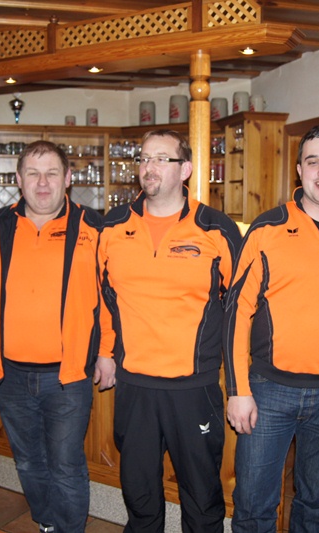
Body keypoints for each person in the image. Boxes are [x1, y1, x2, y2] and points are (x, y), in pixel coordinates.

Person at [224, 125, 319, 532]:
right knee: (253, 506)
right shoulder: (268, 228)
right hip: (268, 391)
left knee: (316, 502)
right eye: (313, 161)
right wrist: (238, 390)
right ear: (299, 170)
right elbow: (238, 310)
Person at [96, 129, 242, 532]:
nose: (149, 167)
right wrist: (106, 351)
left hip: (193, 386)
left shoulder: (215, 228)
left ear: (186, 169)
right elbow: (102, 298)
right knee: (139, 493)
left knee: (201, 496)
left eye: (162, 158)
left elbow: (240, 307)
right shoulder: (113, 226)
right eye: (144, 158)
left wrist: (240, 382)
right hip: (134, 384)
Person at [0, 140, 109, 533]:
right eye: (33, 173)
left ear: (68, 178)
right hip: (9, 375)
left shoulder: (94, 228)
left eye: (51, 173)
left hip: (68, 376)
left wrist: (107, 351)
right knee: (28, 461)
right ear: (19, 179)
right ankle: (47, 523)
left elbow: (110, 296)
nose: (42, 183)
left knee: (66, 464)